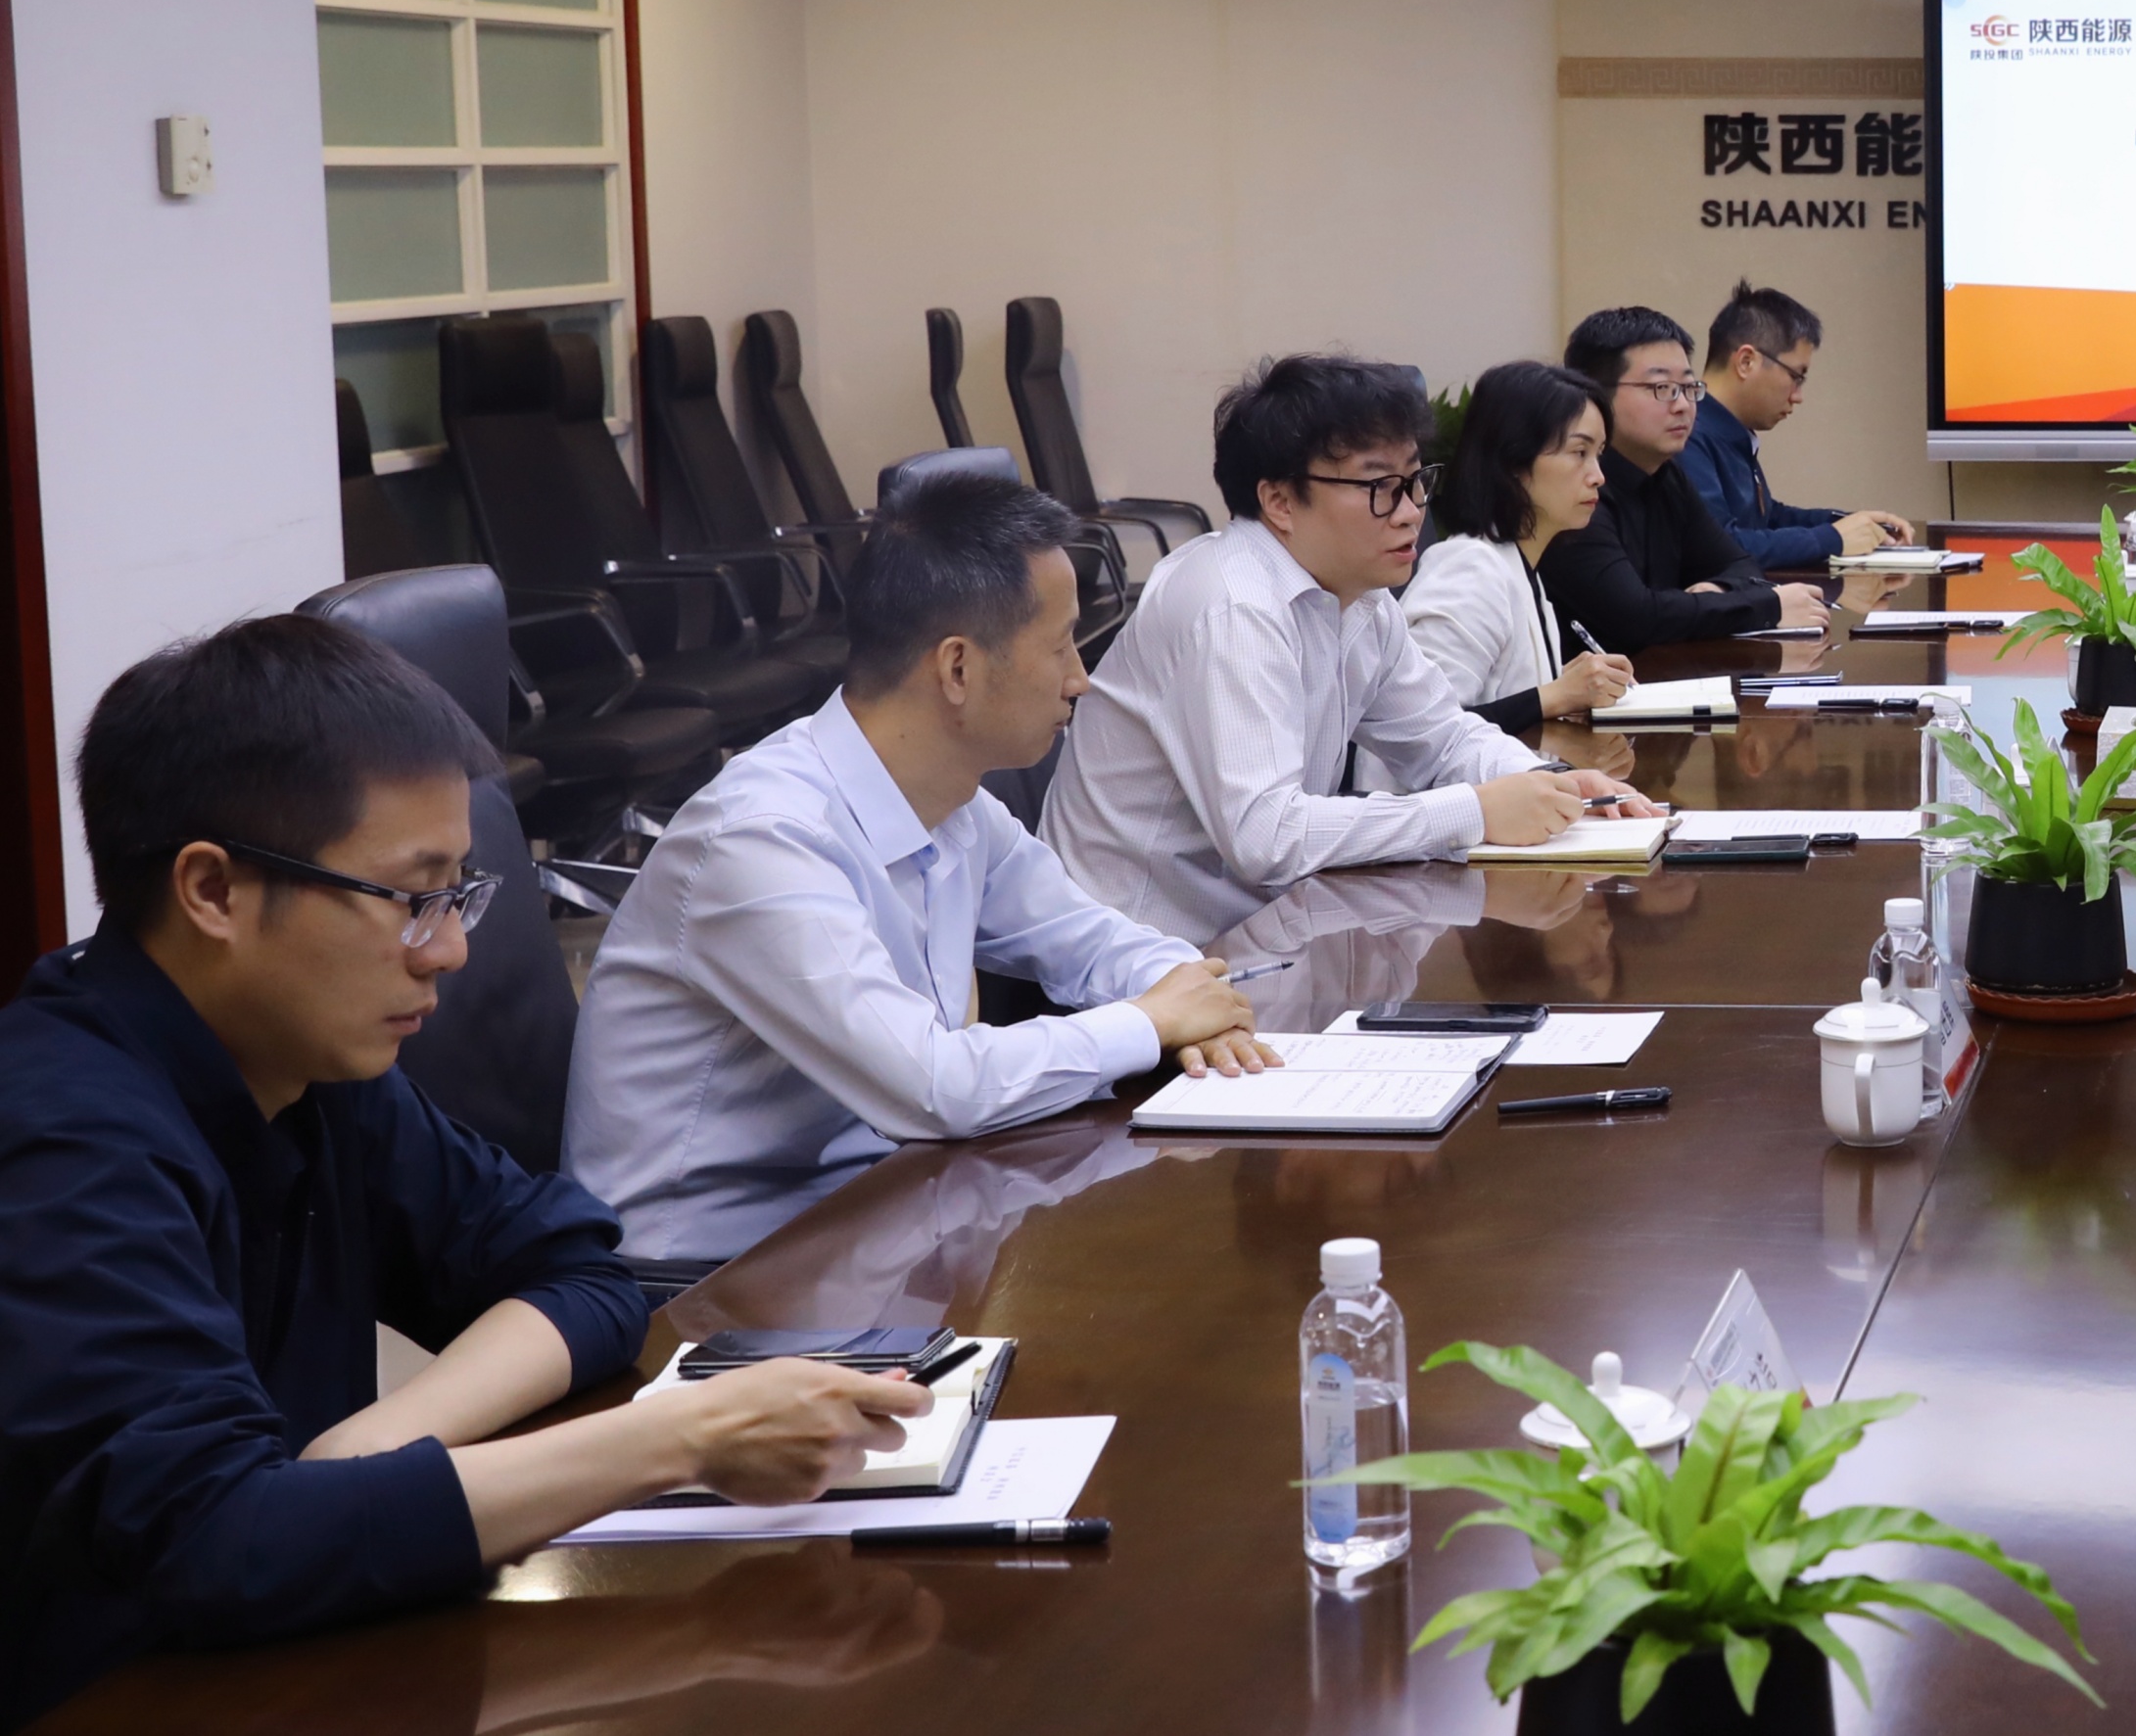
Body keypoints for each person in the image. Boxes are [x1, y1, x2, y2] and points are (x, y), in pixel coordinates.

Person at [1, 620, 927, 1721]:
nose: (448, 948)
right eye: (411, 898)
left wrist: (371, 1447)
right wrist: (681, 1439)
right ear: (212, 891)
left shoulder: (313, 1064)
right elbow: (213, 1544)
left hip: (294, 1665)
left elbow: (581, 1270)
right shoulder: (59, 1141)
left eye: (459, 892)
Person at [565, 476, 1288, 1273]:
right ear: (957, 668)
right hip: (705, 1275)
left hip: (872, 1213)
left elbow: (1086, 937)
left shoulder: (955, 804)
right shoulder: (763, 839)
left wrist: (1192, 1002)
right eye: (1060, 646)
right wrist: (1151, 1021)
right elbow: (935, 1086)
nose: (1079, 677)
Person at [1043, 354, 1654, 947]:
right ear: (1280, 502)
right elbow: (1267, 837)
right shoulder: (1233, 607)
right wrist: (1474, 810)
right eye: (1380, 486)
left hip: (1263, 935)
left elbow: (1443, 738)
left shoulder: (1360, 597)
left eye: (1414, 481)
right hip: (1135, 957)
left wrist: (1554, 784)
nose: (1411, 512)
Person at [1545, 306, 1827, 652]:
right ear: (1595, 396)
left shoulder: (1666, 474)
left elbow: (1740, 564)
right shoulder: (1576, 488)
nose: (1682, 405)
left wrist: (1720, 591)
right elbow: (1636, 617)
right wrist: (1769, 606)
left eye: (1688, 387)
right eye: (1662, 387)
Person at [1403, 360, 1638, 734]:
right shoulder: (1469, 571)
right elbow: (1420, 734)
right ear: (1514, 459)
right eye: (1579, 452)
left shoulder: (1520, 564)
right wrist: (1555, 696)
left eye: (1599, 454)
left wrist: (1565, 686)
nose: (1598, 476)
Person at [1681, 282, 1918, 576]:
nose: (1798, 396)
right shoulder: (1686, 433)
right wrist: (1832, 539)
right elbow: (1722, 547)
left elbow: (1767, 519)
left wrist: (1849, 524)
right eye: (1796, 377)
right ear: (1746, 362)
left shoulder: (1727, 430)